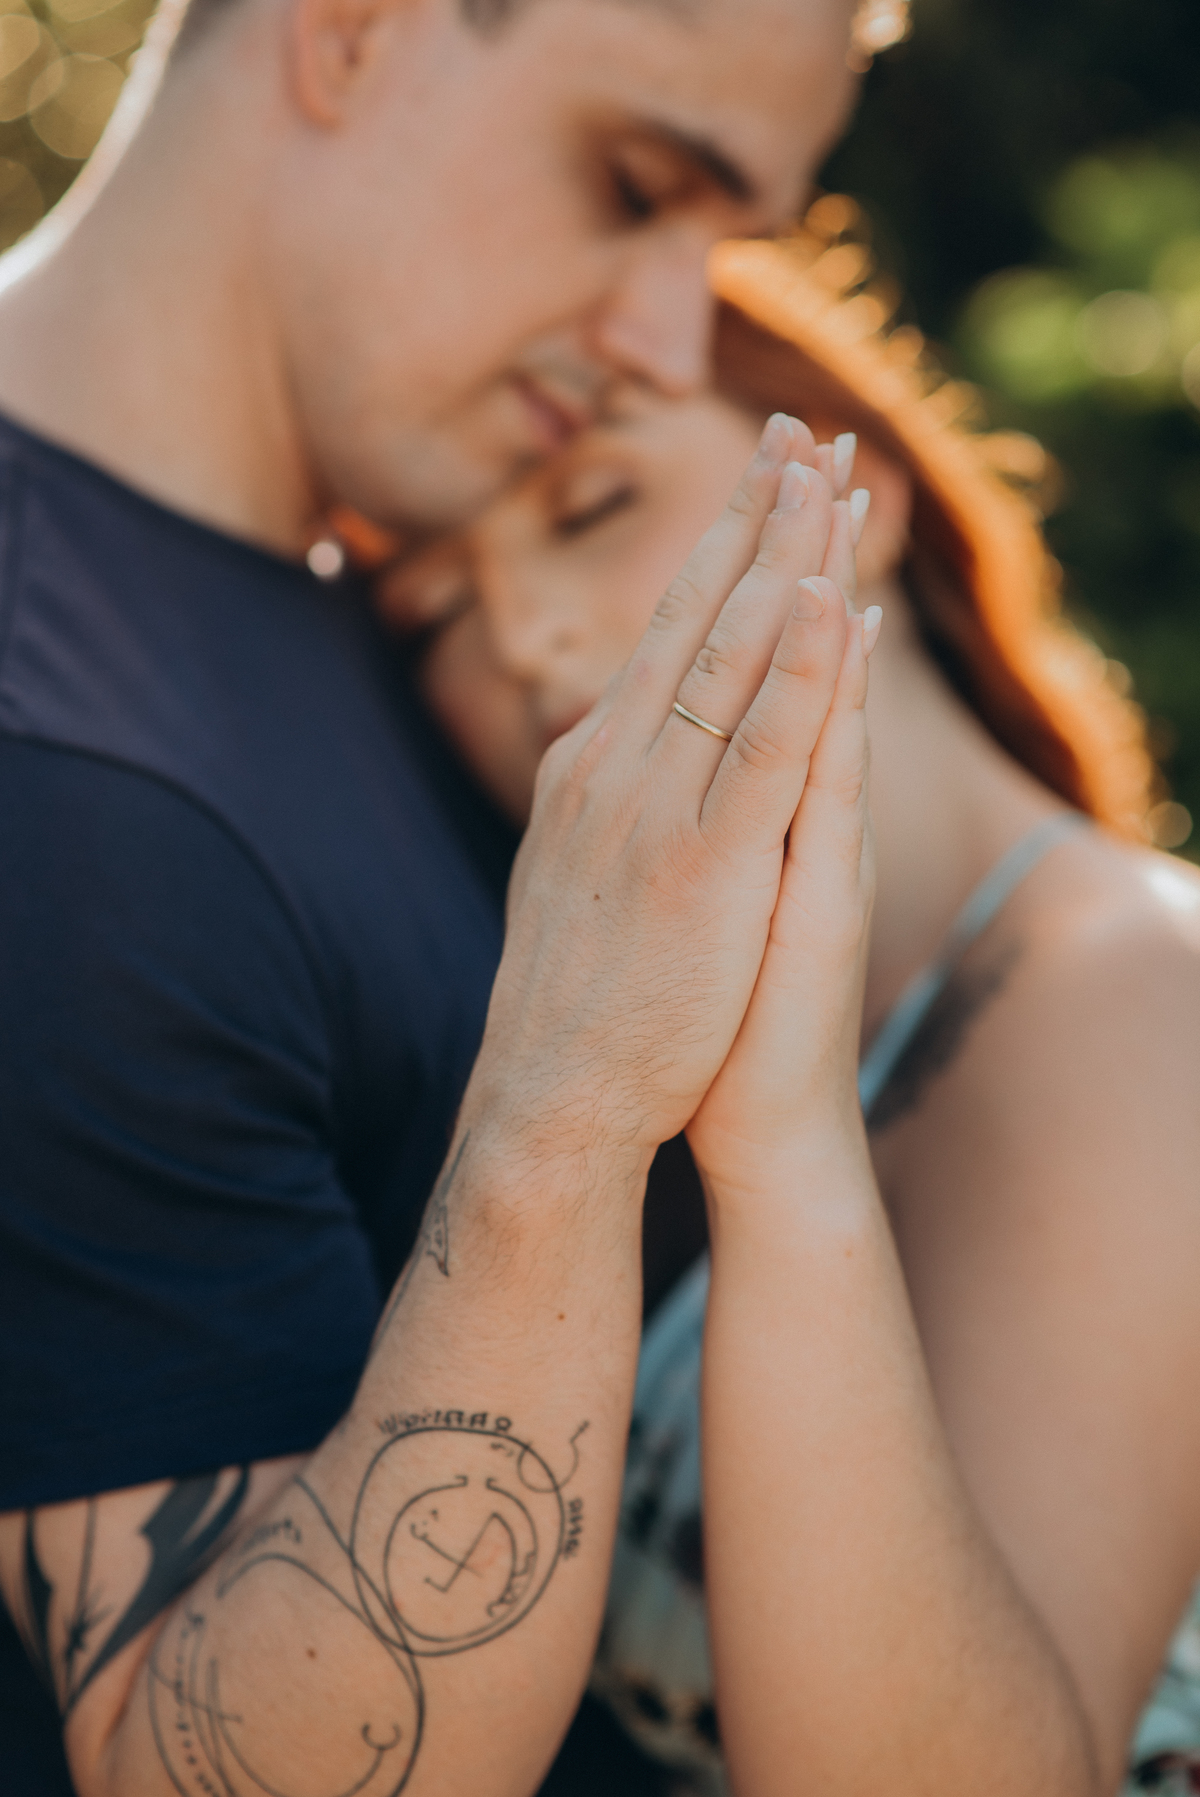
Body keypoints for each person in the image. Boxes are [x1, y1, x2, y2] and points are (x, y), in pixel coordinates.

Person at [0, 0, 873, 1792]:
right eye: (635, 184)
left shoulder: (379, 595)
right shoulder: (55, 780)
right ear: (356, 27)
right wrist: (566, 1104)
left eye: (721, 245)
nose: (669, 334)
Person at [380, 217, 1200, 1795]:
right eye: (432, 620)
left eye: (593, 505)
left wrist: (777, 1149)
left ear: (864, 492)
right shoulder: (668, 1054)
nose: (530, 638)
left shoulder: (1140, 998)